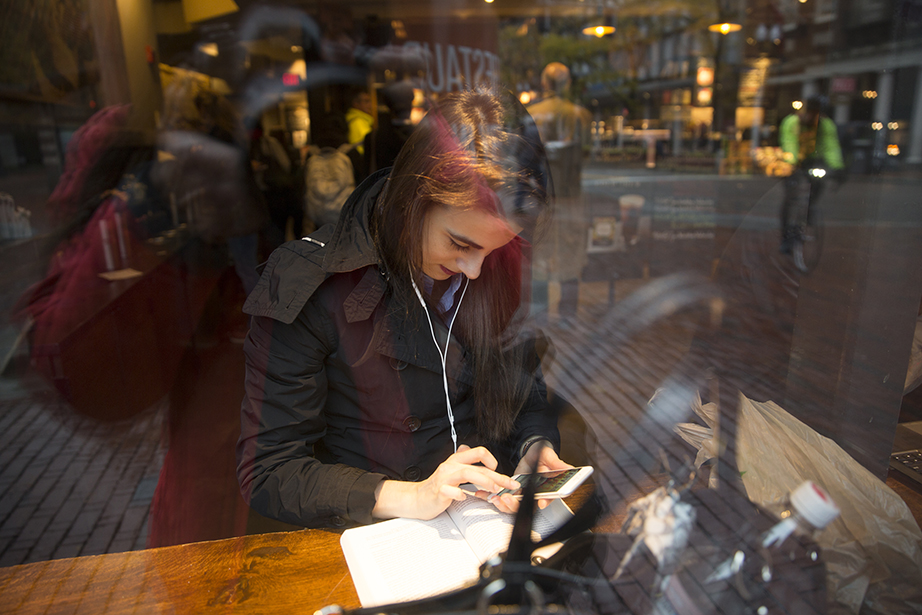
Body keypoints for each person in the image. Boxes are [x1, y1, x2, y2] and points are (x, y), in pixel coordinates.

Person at [237, 88, 570, 529]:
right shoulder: (311, 284)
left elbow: (525, 393)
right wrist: (412, 495)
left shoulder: (498, 268)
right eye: (459, 243)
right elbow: (269, 470)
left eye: (493, 249)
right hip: (377, 535)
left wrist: (533, 446)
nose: (474, 270)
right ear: (411, 200)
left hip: (485, 522)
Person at [527, 62, 592, 324]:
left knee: (540, 255)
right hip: (571, 195)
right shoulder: (581, 115)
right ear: (568, 84)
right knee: (570, 255)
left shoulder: (532, 113)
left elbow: (525, 157)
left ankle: (540, 314)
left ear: (544, 83)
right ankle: (567, 315)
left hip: (541, 195)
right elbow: (585, 153)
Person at [778, 95, 844, 254]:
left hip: (813, 162)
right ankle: (787, 235)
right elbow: (789, 143)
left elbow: (831, 147)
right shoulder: (791, 122)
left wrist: (837, 167)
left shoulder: (826, 125)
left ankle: (809, 210)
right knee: (791, 199)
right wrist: (792, 162)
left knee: (818, 184)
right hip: (794, 163)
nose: (812, 117)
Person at [345, 87, 374, 155]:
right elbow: (361, 151)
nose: (370, 105)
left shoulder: (363, 120)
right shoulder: (357, 122)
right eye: (366, 101)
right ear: (356, 103)